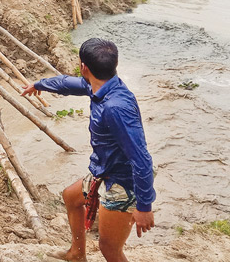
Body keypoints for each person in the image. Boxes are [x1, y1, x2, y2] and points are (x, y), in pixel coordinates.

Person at [22, 38, 156, 262]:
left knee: (109, 248)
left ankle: (82, 252)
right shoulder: (101, 86)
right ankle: (76, 253)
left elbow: (141, 159)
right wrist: (40, 85)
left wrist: (144, 206)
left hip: (122, 183)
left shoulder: (116, 107)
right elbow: (67, 84)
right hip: (105, 170)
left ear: (84, 67)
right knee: (71, 197)